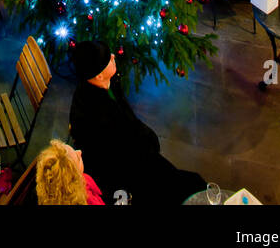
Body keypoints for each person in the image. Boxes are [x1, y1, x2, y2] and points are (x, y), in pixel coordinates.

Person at [69, 42, 205, 206]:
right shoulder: (98, 114)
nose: (113, 56)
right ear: (98, 75)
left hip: (138, 154)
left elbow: (130, 124)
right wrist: (149, 144)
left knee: (192, 182)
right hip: (126, 173)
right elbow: (124, 152)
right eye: (108, 59)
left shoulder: (107, 85)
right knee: (189, 188)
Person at [36, 140, 105, 206]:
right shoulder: (88, 200)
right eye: (78, 158)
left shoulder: (49, 190)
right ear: (73, 179)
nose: (79, 151)